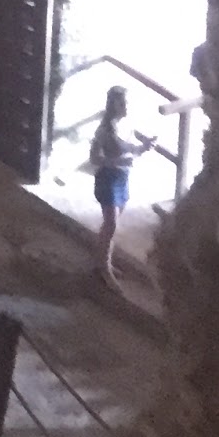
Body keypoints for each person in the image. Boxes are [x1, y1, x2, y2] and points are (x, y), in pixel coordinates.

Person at [90, 83, 154, 291]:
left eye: (127, 102)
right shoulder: (104, 130)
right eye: (123, 103)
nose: (127, 107)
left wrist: (145, 144)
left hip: (122, 178)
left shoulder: (127, 124)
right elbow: (94, 158)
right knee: (111, 224)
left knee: (110, 226)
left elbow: (132, 144)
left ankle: (102, 262)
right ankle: (104, 269)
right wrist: (116, 162)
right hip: (108, 179)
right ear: (113, 106)